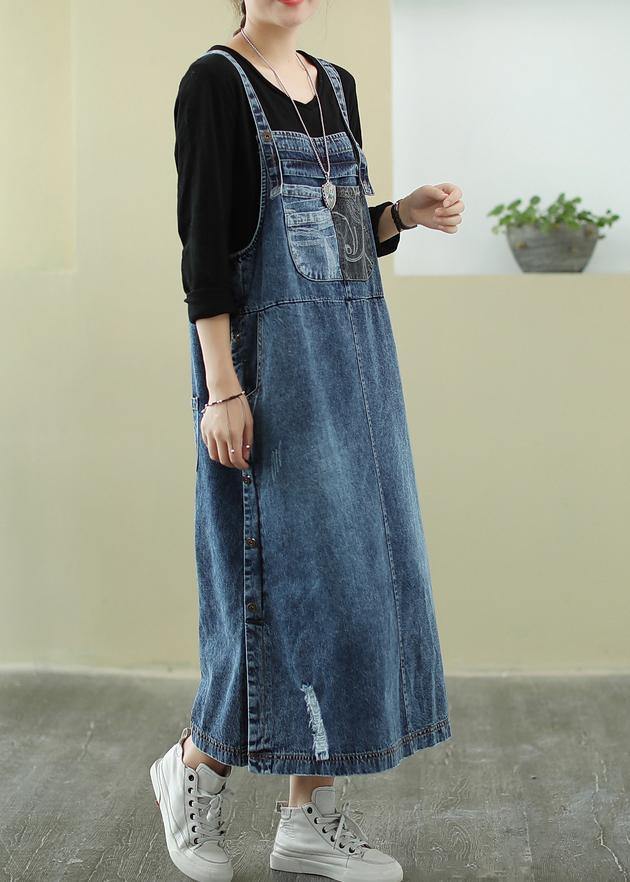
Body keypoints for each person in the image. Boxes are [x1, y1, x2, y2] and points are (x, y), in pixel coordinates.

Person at [150, 1, 464, 880]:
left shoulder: (337, 86)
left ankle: (309, 818)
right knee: (272, 583)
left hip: (358, 372)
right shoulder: (214, 84)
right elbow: (205, 252)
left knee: (354, 587)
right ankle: (195, 766)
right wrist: (222, 388)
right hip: (267, 377)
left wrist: (398, 214)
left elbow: (341, 244)